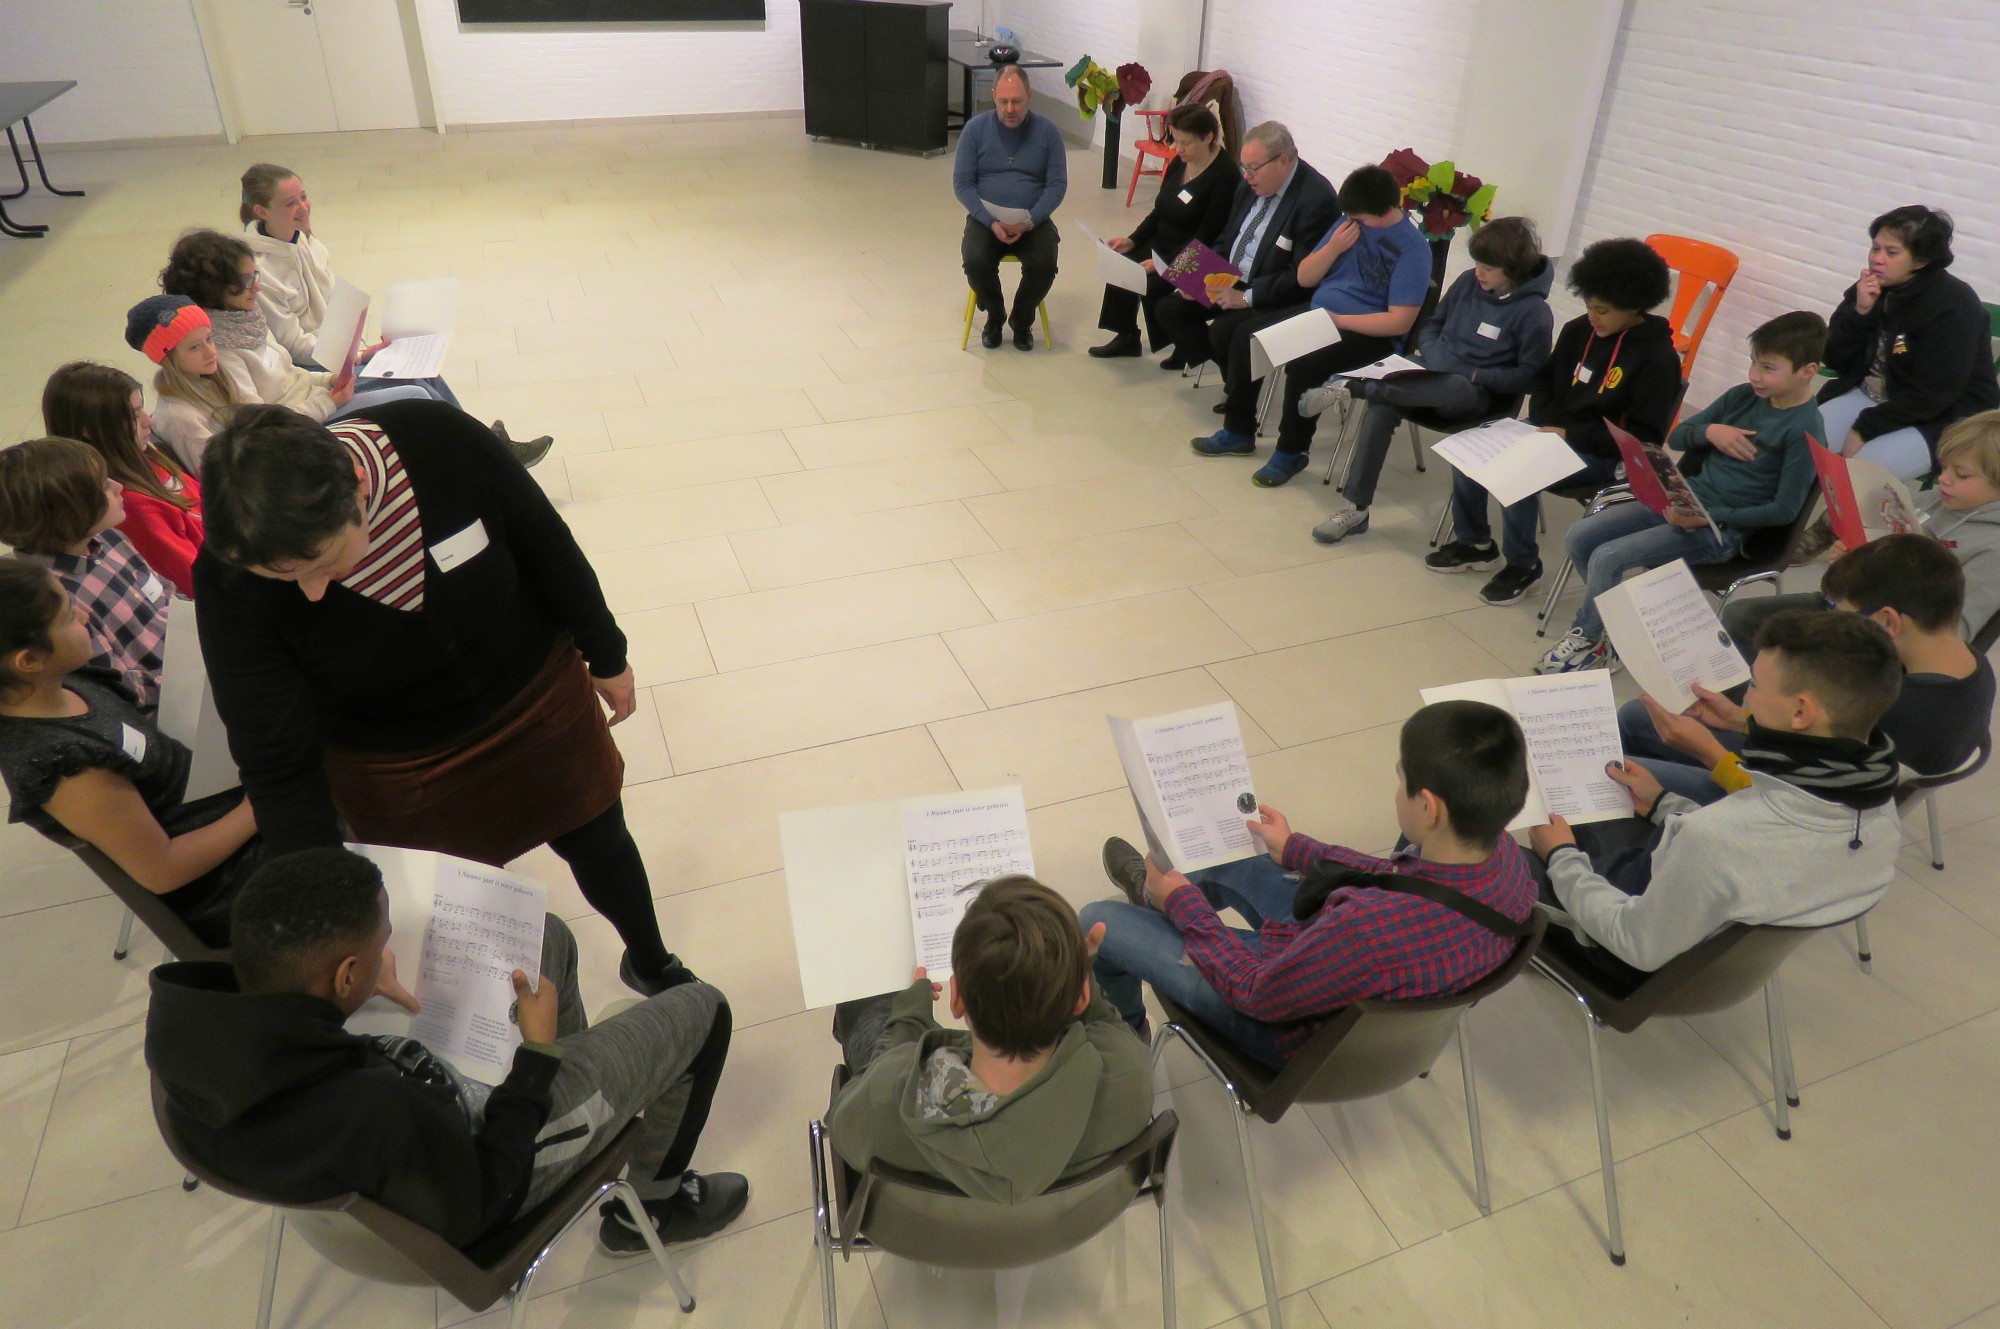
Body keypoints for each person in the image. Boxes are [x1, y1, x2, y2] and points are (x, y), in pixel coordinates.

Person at [191, 401, 694, 996]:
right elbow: (272, 754)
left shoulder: (439, 439)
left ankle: (651, 961)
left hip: (534, 694)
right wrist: (336, 914)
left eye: (323, 563)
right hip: (396, 764)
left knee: (600, 835)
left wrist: (605, 653)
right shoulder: (232, 575)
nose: (312, 591)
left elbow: (545, 543)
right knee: (461, 904)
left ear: (356, 484)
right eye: (286, 580)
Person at [144, 847, 747, 1254]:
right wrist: (537, 1058)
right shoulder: (375, 1106)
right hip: (489, 1161)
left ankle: (583, 1071)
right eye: (382, 945)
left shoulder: (184, 1033)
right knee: (705, 1010)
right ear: (346, 973)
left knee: (544, 938)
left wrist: (342, 1003)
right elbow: (483, 1198)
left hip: (397, 1123)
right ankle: (650, 1211)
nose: (389, 952)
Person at [1079, 701, 1538, 1066]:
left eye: (1402, 780)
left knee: (1097, 921)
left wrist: (1187, 909)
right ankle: (1157, 897)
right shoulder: (1509, 863)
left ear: (1429, 808)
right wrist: (1297, 846)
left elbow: (1254, 991)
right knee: (1235, 857)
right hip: (1369, 975)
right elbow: (1399, 880)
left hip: (1286, 1027)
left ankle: (1130, 1029)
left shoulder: (1364, 928)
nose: (1397, 788)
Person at [1532, 610, 1903, 974]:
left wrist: (1563, 857)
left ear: (1801, 712)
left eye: (1755, 685)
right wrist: (1664, 803)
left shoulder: (1712, 837)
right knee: (1598, 800)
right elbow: (1751, 840)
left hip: (1631, 953)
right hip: (1710, 947)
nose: (1746, 700)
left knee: (1504, 857)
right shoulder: (1883, 810)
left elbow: (1635, 942)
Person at [826, 875, 1153, 1203]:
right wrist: (1072, 971)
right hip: (1062, 1227)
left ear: (957, 1000)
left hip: (937, 1234)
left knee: (865, 999)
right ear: (1080, 997)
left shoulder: (887, 1097)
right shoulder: (1130, 1073)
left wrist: (909, 1018)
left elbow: (842, 1120)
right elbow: (1105, 1024)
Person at [1535, 311, 1827, 674]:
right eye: (1753, 362)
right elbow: (1676, 437)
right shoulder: (1742, 398)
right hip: (1683, 499)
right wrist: (1711, 432)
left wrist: (1708, 516)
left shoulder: (1804, 431)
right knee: (1580, 536)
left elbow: (1784, 511)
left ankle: (1592, 638)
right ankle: (1618, 630)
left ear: (1807, 371)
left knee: (1608, 556)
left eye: (1768, 368)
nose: (1754, 375)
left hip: (1722, 530)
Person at [0, 558, 259, 949]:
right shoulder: (63, 763)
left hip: (221, 810)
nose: (84, 613)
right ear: (29, 660)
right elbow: (163, 869)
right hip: (229, 884)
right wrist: (258, 807)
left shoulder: (70, 681)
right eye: (68, 615)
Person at [1626, 534, 1995, 804]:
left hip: (1788, 811)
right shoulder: (1971, 664)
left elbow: (1789, 796)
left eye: (1844, 616)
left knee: (1618, 770)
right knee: (1638, 719)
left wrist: (1709, 751)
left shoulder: (1889, 706)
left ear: (1887, 622)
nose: (1836, 624)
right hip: (1827, 784)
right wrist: (1742, 721)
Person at [1429, 237, 1683, 606]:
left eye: (1603, 310)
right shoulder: (1580, 330)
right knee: (1472, 450)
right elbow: (1544, 382)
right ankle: (1475, 543)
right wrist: (1545, 424)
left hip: (1606, 454)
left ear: (1633, 307)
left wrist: (1569, 433)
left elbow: (1643, 439)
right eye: (1589, 306)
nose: (1593, 317)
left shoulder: (1657, 358)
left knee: (1519, 470)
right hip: (1550, 432)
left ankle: (1523, 565)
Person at [1302, 214, 1555, 542]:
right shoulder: (1467, 281)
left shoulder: (1535, 313)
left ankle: (1352, 387)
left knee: (1454, 386)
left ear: (1514, 269)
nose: (1479, 272)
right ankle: (1356, 508)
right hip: (1425, 376)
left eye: (1489, 268)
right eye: (1478, 263)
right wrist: (1436, 357)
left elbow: (1527, 378)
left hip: (1477, 396)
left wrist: (1473, 373)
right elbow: (1432, 325)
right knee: (1382, 405)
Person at [1192, 165, 1433, 488]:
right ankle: (1238, 430)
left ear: (1388, 210)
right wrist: (1334, 247)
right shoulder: (1348, 223)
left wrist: (1338, 320)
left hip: (1370, 333)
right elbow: (1305, 277)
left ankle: (1292, 451)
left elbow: (1398, 321)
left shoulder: (1413, 248)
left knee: (1306, 365)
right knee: (1246, 336)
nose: (1354, 223)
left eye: (1361, 219)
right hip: (1322, 314)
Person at [1721, 409, 2000, 649]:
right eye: (1945, 467)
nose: (1944, 479)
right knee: (1740, 617)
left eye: (1961, 474)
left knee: (1766, 636)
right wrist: (1852, 561)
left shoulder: (1992, 550)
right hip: (1856, 606)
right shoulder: (1933, 500)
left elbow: (1955, 636)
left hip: (1886, 639)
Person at [239, 162, 467, 411]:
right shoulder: (259, 273)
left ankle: (484, 441)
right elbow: (293, 346)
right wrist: (356, 357)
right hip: (313, 368)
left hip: (338, 354)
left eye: (303, 197)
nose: (303, 208)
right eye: (290, 203)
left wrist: (363, 349)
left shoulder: (308, 243)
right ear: (262, 212)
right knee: (416, 389)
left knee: (419, 367)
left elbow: (337, 310)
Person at [1154, 121, 1339, 423]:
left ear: (1282, 161)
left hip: (1273, 289)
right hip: (1234, 273)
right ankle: (1233, 377)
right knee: (1170, 308)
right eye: (1243, 167)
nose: (1246, 176)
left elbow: (1302, 278)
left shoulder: (1315, 200)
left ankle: (1239, 392)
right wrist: (1197, 274)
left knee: (1226, 330)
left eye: (1253, 168)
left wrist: (1247, 297)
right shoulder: (1251, 182)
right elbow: (1228, 236)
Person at [1817, 205, 1999, 481]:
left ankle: (1838, 524)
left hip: (1940, 417)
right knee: (1802, 444)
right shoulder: (1871, 287)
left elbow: (1935, 393)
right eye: (1875, 248)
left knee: (1862, 475)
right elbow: (1834, 359)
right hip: (1872, 394)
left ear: (1921, 261)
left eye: (1891, 253)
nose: (1877, 259)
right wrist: (1860, 313)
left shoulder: (1953, 305)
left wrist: (1864, 428)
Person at [0, 437, 173, 710]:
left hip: (189, 650)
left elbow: (165, 592)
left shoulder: (111, 537)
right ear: (70, 512)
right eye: (104, 484)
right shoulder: (56, 599)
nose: (119, 486)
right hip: (168, 697)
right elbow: (122, 687)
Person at [41, 361, 205, 598]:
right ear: (89, 428)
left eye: (143, 410)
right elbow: (197, 582)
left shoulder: (143, 455)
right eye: (134, 415)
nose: (149, 421)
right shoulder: (129, 504)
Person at [1088, 103, 1237, 362]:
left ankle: (1182, 342)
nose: (1178, 150)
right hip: (1165, 242)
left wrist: (1163, 264)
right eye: (1176, 141)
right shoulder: (1180, 163)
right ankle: (1126, 336)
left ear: (1208, 137)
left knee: (1153, 282)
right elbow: (1160, 210)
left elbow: (1208, 235)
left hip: (1198, 254)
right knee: (1121, 264)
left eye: (1185, 143)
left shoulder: (1225, 176)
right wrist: (1132, 239)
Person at [952, 64, 1068, 352]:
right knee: (975, 260)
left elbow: (1056, 186)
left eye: (1016, 101)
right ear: (993, 96)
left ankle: (1021, 319)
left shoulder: (1048, 133)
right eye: (1003, 101)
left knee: (1044, 263)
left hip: (1032, 221)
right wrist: (990, 221)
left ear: (1029, 95)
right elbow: (963, 184)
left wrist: (1029, 221)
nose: (1010, 109)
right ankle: (995, 314)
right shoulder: (975, 130)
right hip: (986, 220)